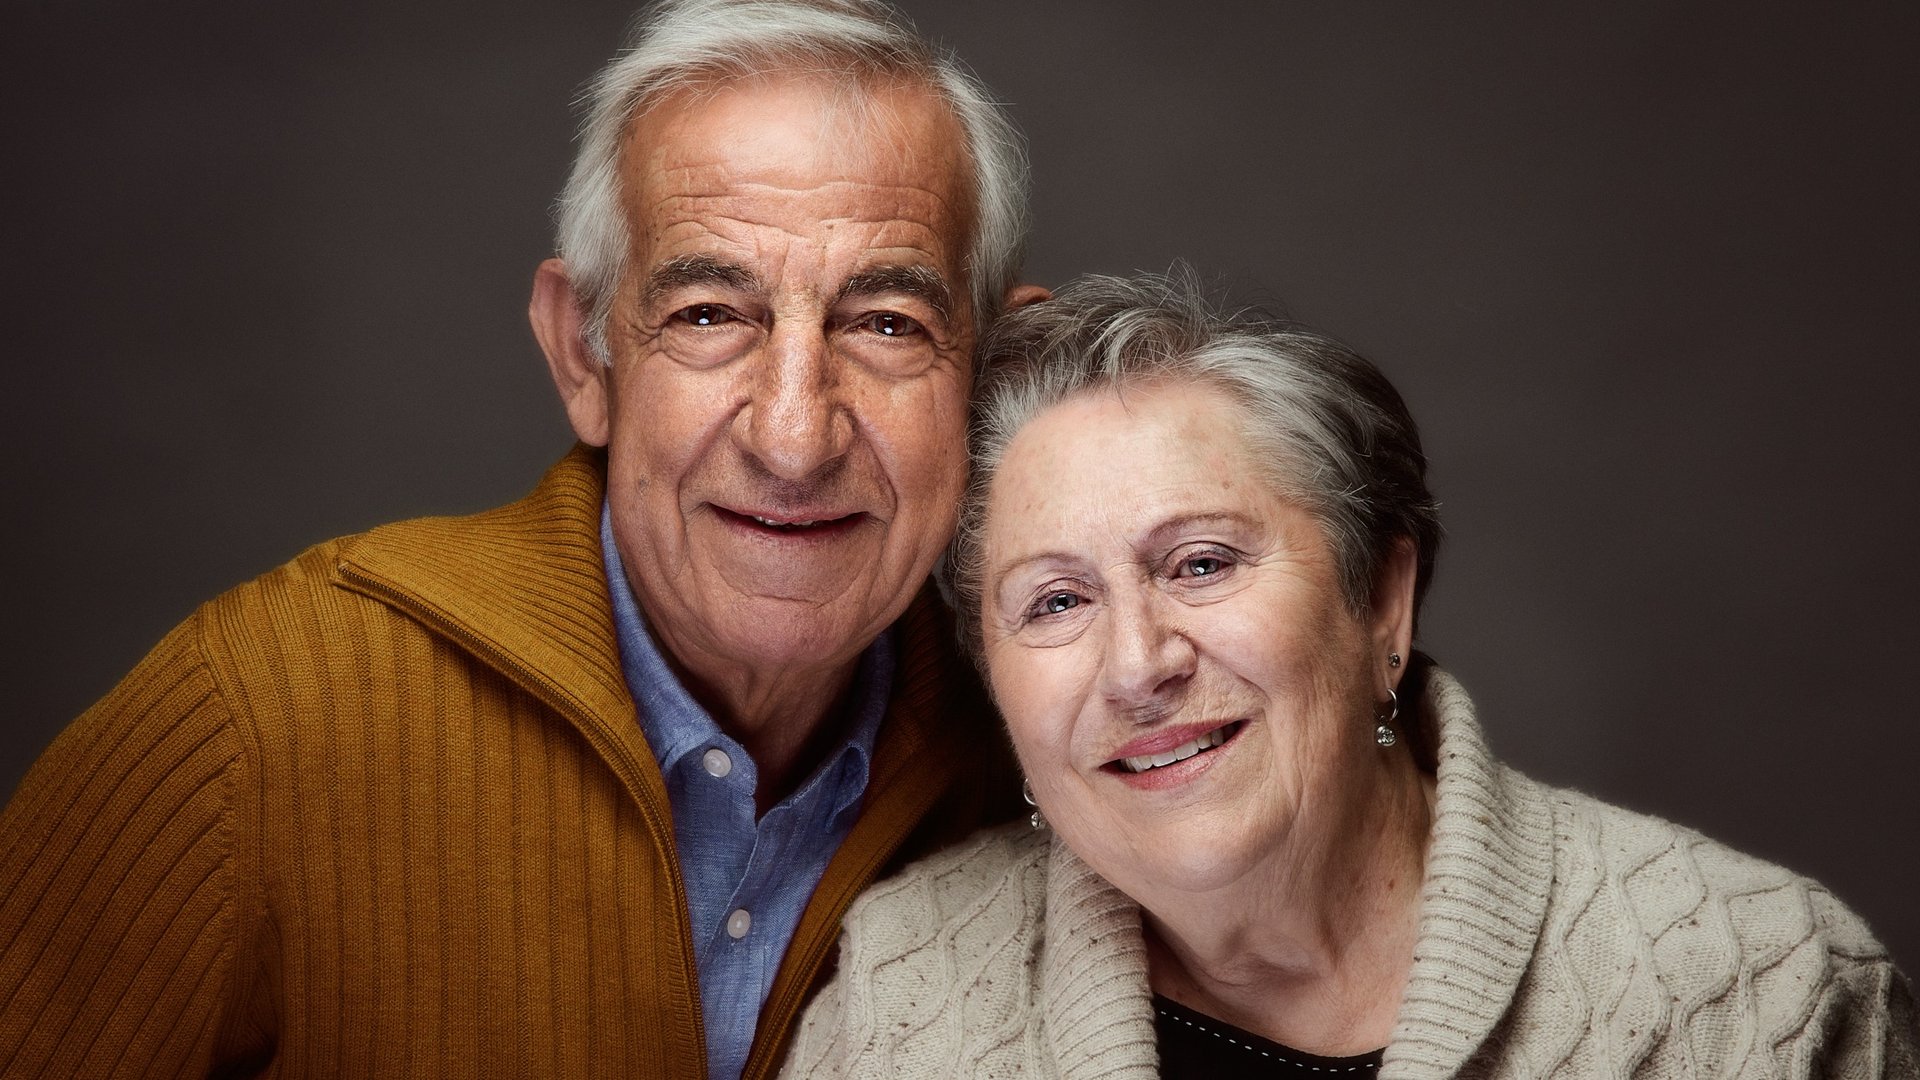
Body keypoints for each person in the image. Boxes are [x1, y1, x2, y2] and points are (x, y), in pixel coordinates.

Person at [0, 1, 1047, 1076]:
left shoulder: (1062, 755)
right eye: (706, 314)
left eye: (886, 325)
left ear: (991, 381)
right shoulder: (261, 712)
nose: (794, 437)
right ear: (582, 358)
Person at [782, 271, 1919, 1078]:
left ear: (1380, 603)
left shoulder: (1760, 988)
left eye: (1203, 562)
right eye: (1056, 602)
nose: (1138, 665)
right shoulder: (904, 995)